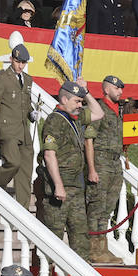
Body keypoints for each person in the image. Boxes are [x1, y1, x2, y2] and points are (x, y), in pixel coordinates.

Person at [37, 81, 99, 259]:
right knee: (54, 236)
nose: (80, 105)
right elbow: (49, 155)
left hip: (76, 187)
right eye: (77, 101)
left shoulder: (76, 118)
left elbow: (98, 112)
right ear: (64, 99)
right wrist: (58, 185)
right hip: (61, 188)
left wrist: (85, 92)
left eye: (81, 102)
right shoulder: (55, 121)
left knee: (80, 237)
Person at [85, 75, 126, 263]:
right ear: (107, 90)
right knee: (96, 207)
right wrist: (91, 168)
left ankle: (103, 247)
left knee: (108, 207)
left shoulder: (118, 111)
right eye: (117, 88)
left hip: (115, 164)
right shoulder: (99, 109)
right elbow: (89, 139)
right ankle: (93, 248)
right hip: (101, 162)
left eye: (121, 89)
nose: (120, 92)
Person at [0, 44, 36, 206]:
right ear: (11, 60)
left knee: (25, 171)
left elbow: (26, 103)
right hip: (8, 129)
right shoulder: (2, 78)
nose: (21, 66)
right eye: (18, 62)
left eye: (23, 63)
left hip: (24, 130)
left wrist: (32, 113)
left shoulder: (28, 79)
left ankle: (23, 209)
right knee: (13, 162)